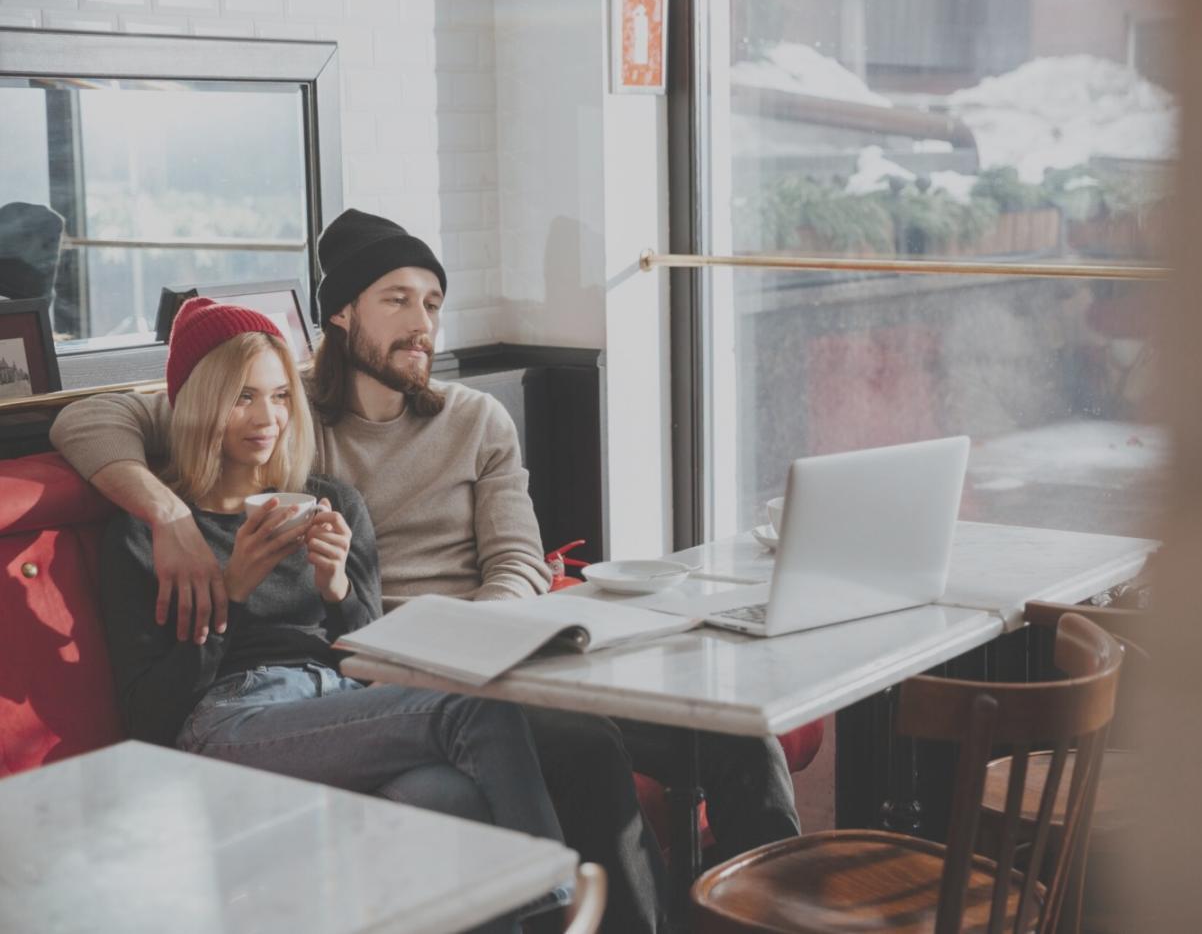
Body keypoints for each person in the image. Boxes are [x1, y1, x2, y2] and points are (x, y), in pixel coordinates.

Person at [52, 209, 800, 932]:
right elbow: (108, 417)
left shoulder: (470, 422)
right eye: (398, 299)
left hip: (498, 649)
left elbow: (513, 559)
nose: (423, 323)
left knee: (741, 732)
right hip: (389, 677)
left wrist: (483, 634)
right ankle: (583, 915)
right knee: (578, 753)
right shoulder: (286, 421)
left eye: (434, 302)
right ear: (342, 314)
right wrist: (172, 517)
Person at [99, 297, 561, 934]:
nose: (269, 418)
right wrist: (229, 594)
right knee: (474, 705)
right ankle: (559, 914)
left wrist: (340, 586)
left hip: (336, 707)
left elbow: (371, 662)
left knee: (447, 800)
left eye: (282, 395)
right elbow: (151, 716)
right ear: (198, 401)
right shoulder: (149, 532)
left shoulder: (331, 502)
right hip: (227, 726)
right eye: (242, 397)